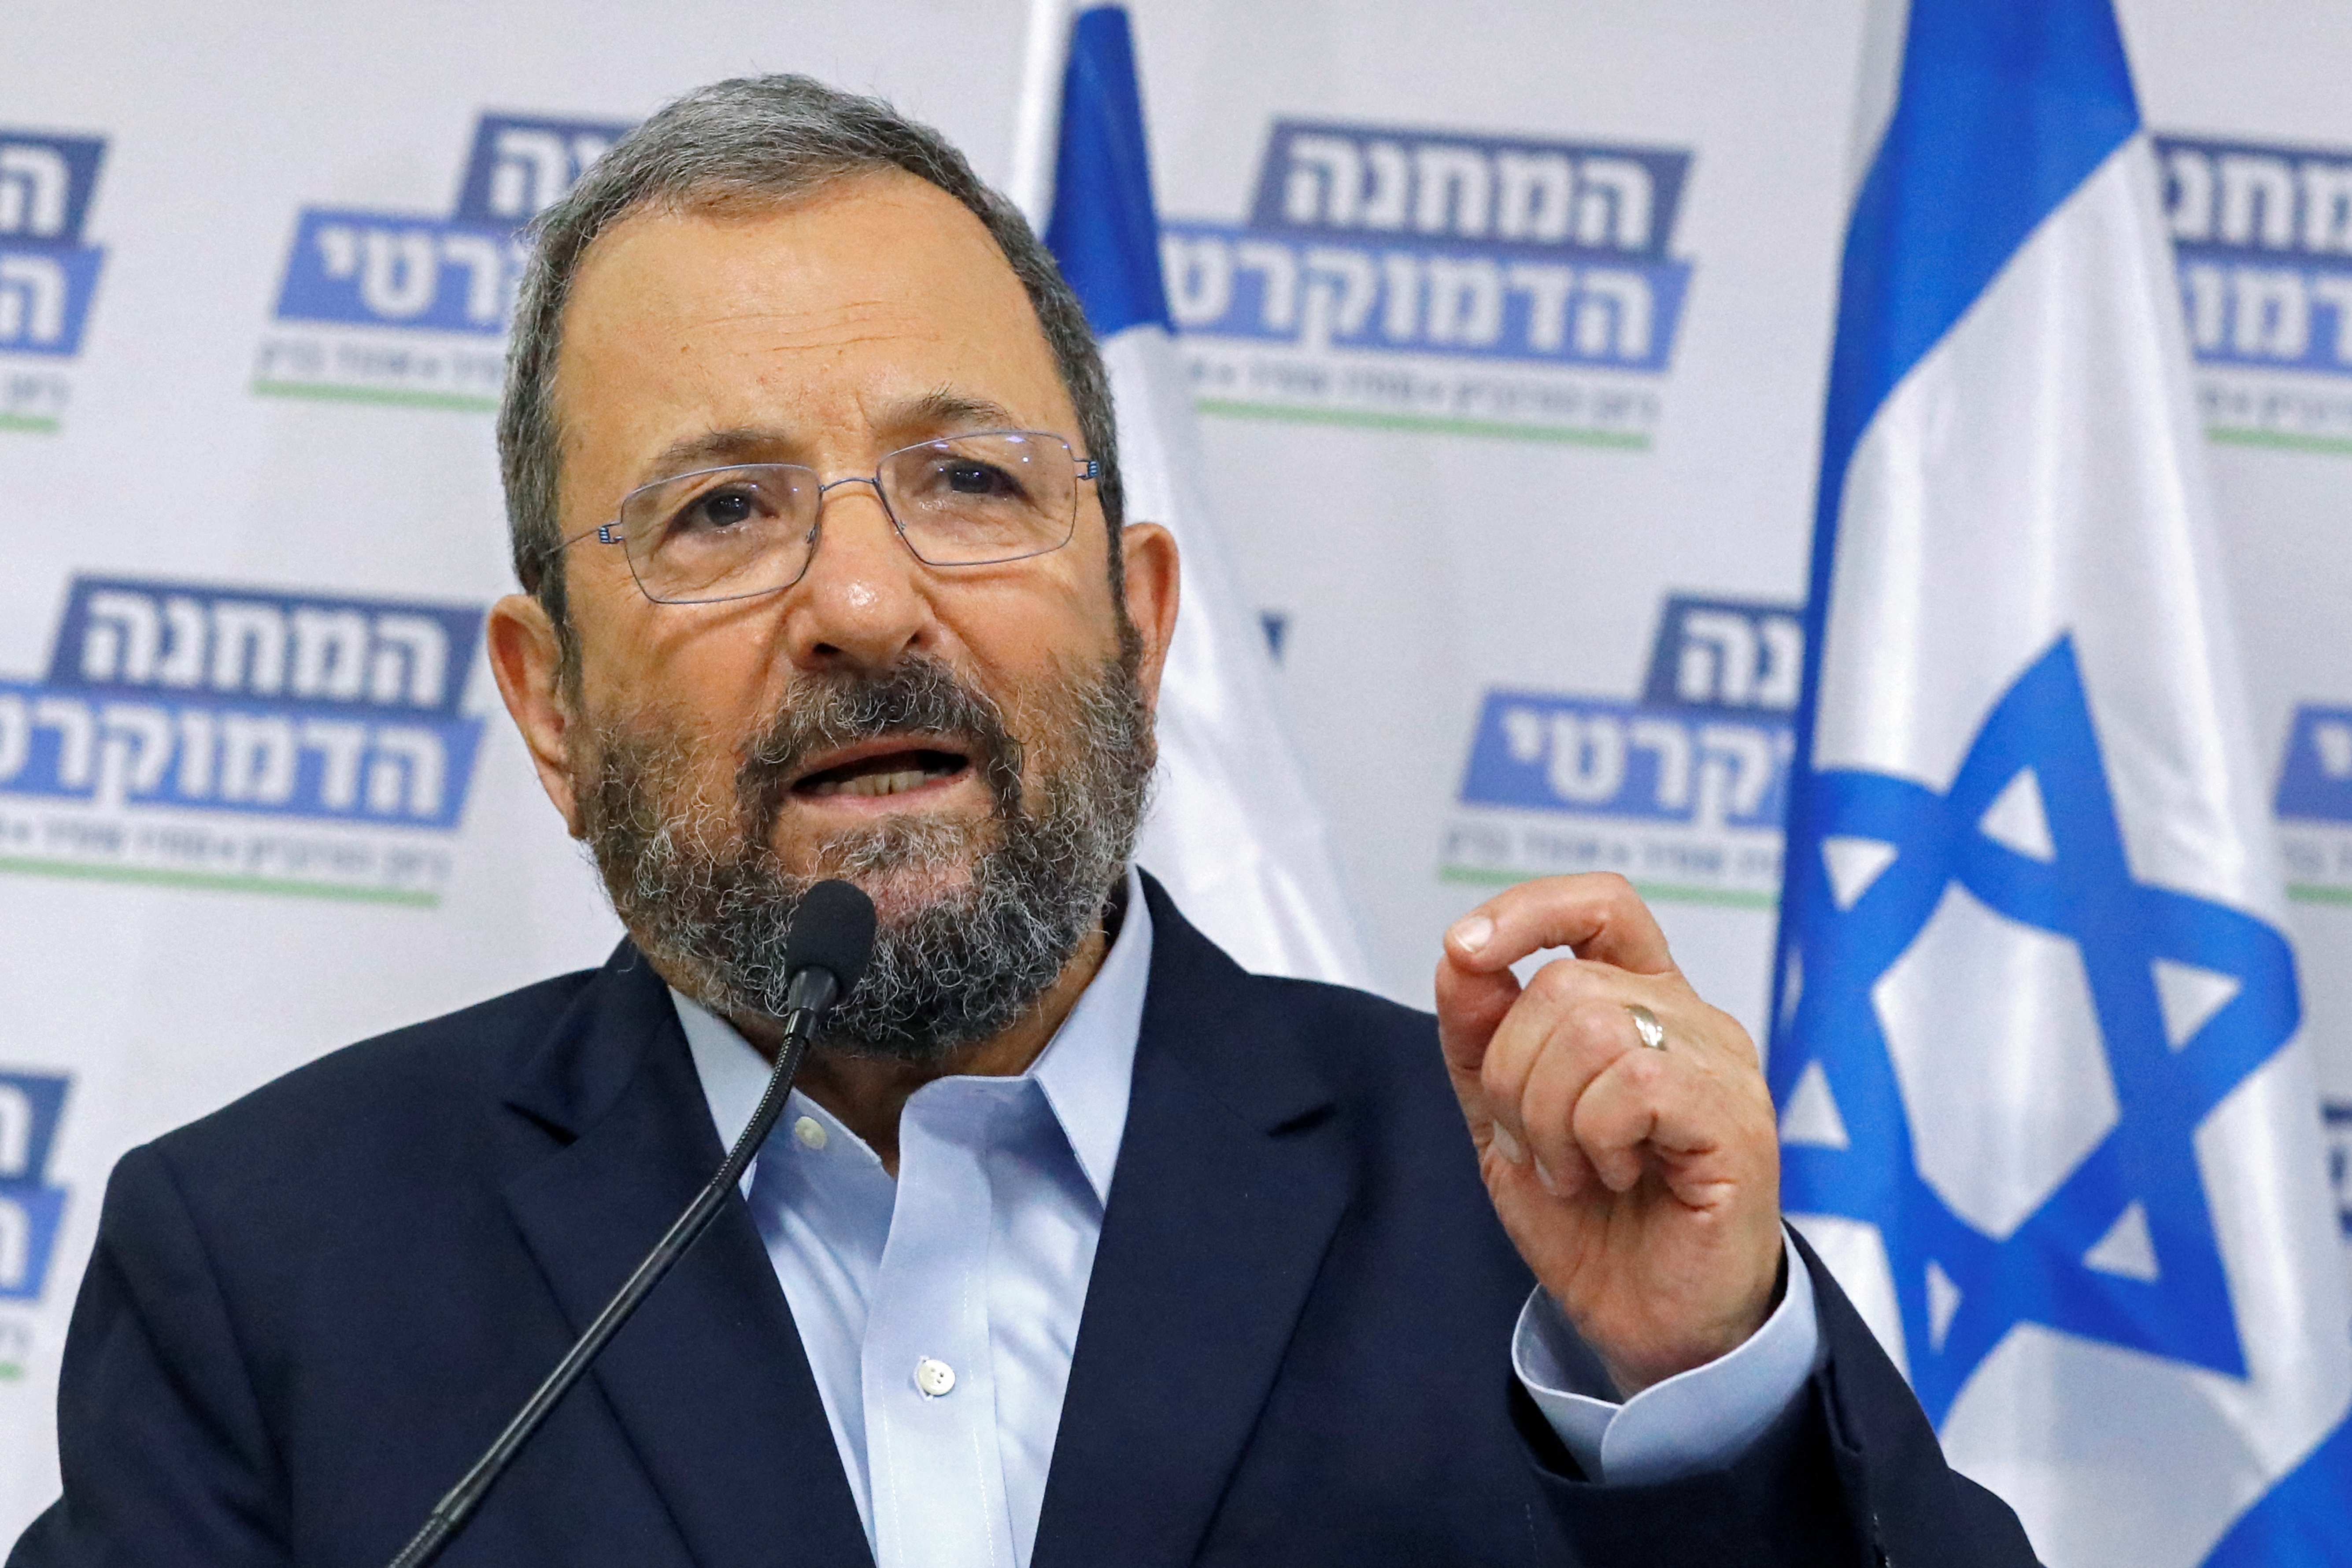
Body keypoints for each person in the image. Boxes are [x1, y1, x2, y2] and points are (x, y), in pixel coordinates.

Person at [12, 76, 2037, 1568]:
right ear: (550, 706)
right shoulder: (277, 1270)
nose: (869, 602)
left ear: (1140, 620)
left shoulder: (1524, 1225)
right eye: (723, 511)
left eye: (969, 481)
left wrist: (1705, 1399)